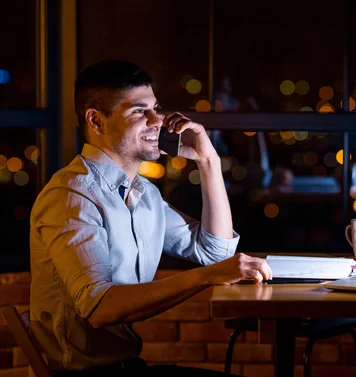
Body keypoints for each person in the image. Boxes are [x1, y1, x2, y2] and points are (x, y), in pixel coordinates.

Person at [29, 60, 272, 376]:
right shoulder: (72, 197)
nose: (157, 120)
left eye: (156, 108)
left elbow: (216, 251)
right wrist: (207, 277)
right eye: (139, 111)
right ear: (96, 121)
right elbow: (100, 308)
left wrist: (208, 160)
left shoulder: (144, 194)